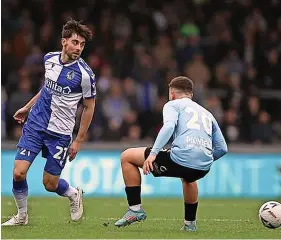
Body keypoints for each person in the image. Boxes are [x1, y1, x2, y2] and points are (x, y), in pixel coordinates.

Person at [2, 20, 96, 226]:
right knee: (18, 172)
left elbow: (89, 107)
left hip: (60, 133)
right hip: (36, 124)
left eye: (82, 44)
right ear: (64, 42)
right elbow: (47, 89)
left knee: (50, 184)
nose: (78, 47)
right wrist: (27, 108)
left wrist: (78, 140)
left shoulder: (85, 75)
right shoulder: (49, 59)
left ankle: (73, 193)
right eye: (75, 42)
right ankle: (22, 216)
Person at [115, 76, 227, 231]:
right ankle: (190, 225)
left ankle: (135, 209)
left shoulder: (173, 104)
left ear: (172, 93)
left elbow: (168, 127)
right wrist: (202, 159)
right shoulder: (207, 113)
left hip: (181, 158)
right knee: (189, 177)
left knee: (127, 156)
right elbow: (222, 148)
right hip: (203, 167)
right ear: (191, 95)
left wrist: (153, 154)